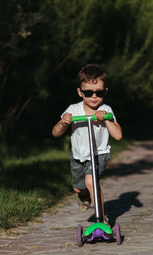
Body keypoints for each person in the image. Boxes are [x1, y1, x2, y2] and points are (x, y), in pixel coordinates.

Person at [52, 63, 122, 220]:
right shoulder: (73, 109)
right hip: (78, 155)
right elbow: (55, 133)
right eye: (89, 93)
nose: (94, 97)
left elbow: (118, 136)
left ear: (105, 91)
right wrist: (63, 122)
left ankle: (101, 217)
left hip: (98, 153)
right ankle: (84, 196)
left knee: (91, 181)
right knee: (78, 188)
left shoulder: (107, 110)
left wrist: (107, 119)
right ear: (80, 92)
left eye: (99, 92)